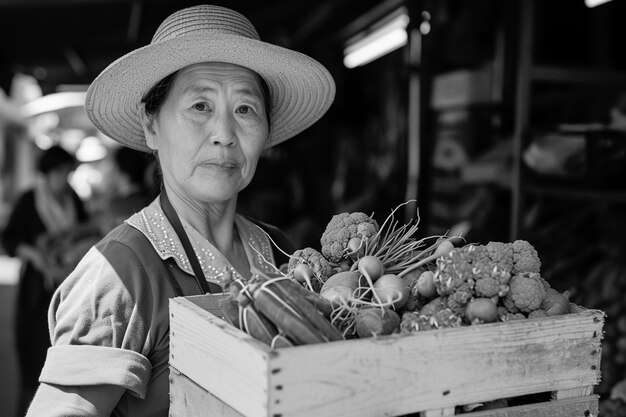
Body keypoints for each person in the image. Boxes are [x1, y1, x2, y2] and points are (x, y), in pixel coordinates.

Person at [25, 4, 335, 416]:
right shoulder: (122, 273)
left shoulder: (278, 250)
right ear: (152, 126)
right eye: (200, 107)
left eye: (245, 109)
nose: (224, 134)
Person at [1, 144, 90, 417]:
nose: (66, 179)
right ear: (49, 172)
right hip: (36, 292)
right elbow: (10, 239)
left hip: (68, 288)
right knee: (33, 356)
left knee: (60, 356)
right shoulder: (30, 200)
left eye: (68, 172)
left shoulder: (72, 198)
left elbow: (85, 230)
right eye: (62, 172)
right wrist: (37, 257)